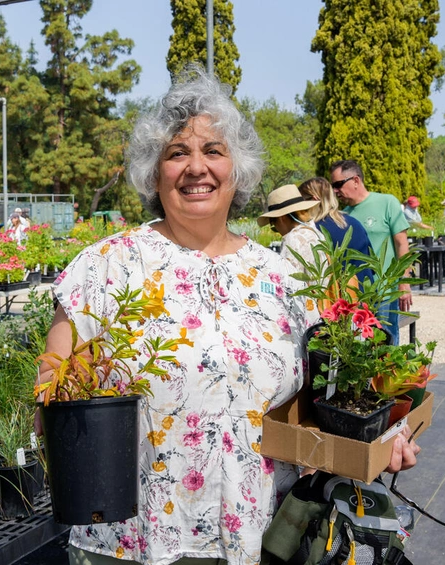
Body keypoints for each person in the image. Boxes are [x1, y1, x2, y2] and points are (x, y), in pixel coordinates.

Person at [37, 68, 420, 565]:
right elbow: (53, 393)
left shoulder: (283, 277)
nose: (197, 167)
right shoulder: (104, 267)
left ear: (238, 170)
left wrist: (382, 435)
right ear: (155, 173)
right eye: (178, 153)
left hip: (265, 538)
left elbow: (326, 395)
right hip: (133, 544)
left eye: (213, 151)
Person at [330, 160, 413, 343]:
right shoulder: (344, 216)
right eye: (332, 186)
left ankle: (389, 373)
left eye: (338, 185)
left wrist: (404, 282)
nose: (335, 191)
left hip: (384, 289)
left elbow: (402, 244)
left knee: (386, 341)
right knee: (360, 345)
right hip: (356, 294)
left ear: (356, 180)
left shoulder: (386, 202)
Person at [297, 177, 375, 287]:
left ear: (313, 200)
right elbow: (371, 265)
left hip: (337, 300)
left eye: (302, 202)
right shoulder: (355, 224)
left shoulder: (312, 231)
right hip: (366, 294)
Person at [257, 184, 321, 273]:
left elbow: (289, 279)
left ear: (281, 218)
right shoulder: (314, 231)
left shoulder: (294, 238)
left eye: (272, 223)